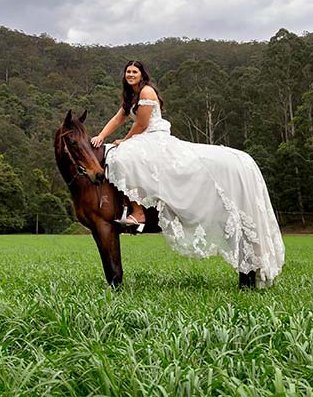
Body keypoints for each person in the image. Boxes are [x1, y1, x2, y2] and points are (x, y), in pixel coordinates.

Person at [91, 60, 285, 287]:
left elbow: (142, 124)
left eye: (135, 71)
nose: (130, 74)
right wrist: (101, 136)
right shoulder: (130, 95)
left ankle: (139, 212)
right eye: (128, 72)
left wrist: (124, 140)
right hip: (144, 136)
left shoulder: (146, 91)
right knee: (115, 155)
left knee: (123, 156)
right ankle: (131, 208)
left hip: (153, 136)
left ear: (142, 74)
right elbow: (118, 118)